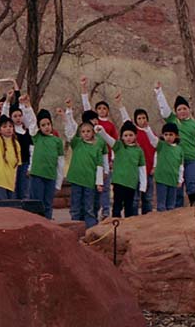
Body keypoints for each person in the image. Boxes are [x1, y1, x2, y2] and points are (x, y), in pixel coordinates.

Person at [156, 83, 195, 206]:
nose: (182, 111)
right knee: (177, 185)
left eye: (184, 109)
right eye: (179, 109)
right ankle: (177, 211)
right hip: (175, 159)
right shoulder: (173, 121)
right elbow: (164, 110)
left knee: (191, 183)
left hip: (191, 158)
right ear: (175, 111)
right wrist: (159, 92)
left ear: (189, 109)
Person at [62, 105, 108, 228]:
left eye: (88, 131)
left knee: (89, 206)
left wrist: (99, 183)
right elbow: (70, 133)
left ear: (93, 132)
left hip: (90, 181)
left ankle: (90, 228)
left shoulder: (97, 147)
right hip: (77, 179)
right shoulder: (77, 143)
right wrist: (68, 113)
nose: (86, 134)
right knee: (76, 204)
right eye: (83, 131)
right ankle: (75, 226)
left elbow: (99, 166)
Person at [81, 76, 117, 220]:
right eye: (99, 108)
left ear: (108, 111)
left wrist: (112, 159)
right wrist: (83, 88)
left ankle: (106, 212)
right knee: (93, 189)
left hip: (105, 161)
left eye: (104, 108)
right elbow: (86, 107)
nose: (101, 111)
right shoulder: (90, 126)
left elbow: (114, 143)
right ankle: (92, 213)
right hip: (91, 162)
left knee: (106, 188)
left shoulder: (109, 126)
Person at [100, 119, 147, 218]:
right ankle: (115, 225)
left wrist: (143, 185)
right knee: (117, 206)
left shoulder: (139, 150)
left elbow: (142, 168)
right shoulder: (119, 146)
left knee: (129, 207)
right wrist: (101, 131)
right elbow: (108, 139)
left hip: (131, 183)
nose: (128, 138)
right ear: (121, 137)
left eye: (131, 135)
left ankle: (127, 227)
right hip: (119, 182)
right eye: (125, 135)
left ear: (135, 136)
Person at [27, 108, 65, 220]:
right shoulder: (37, 137)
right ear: (39, 127)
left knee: (48, 203)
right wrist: (28, 107)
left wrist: (58, 183)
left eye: (48, 124)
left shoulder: (57, 141)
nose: (47, 127)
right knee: (37, 203)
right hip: (37, 175)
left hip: (51, 177)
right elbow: (32, 124)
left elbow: (60, 163)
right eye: (43, 125)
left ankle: (48, 223)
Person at [124, 95, 158, 214]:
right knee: (135, 198)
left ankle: (146, 219)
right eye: (139, 118)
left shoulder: (151, 133)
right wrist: (120, 106)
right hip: (135, 171)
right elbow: (125, 120)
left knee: (147, 198)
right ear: (135, 120)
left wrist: (154, 166)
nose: (142, 120)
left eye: (144, 118)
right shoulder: (133, 134)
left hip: (148, 170)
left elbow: (156, 150)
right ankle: (134, 220)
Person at [0, 114, 22, 200]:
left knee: (10, 209)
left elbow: (17, 165)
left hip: (10, 182)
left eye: (10, 126)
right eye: (4, 126)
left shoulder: (16, 144)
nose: (8, 128)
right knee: (1, 208)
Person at [154, 122, 186, 212]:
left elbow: (181, 166)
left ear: (176, 136)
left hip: (173, 180)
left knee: (171, 205)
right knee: (161, 205)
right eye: (166, 134)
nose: (168, 137)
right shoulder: (161, 145)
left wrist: (180, 180)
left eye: (171, 134)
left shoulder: (179, 150)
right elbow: (152, 139)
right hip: (161, 179)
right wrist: (147, 128)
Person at [9, 97, 34, 199]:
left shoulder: (27, 132)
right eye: (15, 116)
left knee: (25, 191)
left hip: (25, 164)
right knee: (13, 190)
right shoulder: (10, 132)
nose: (18, 118)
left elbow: (31, 149)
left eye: (20, 115)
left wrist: (30, 166)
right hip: (13, 165)